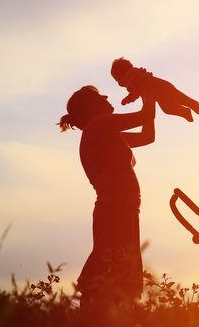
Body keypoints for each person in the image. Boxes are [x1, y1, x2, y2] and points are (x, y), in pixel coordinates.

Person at [58, 85, 156, 318]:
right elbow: (146, 116)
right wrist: (149, 92)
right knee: (110, 265)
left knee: (119, 268)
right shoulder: (100, 124)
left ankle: (106, 318)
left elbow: (148, 136)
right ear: (91, 106)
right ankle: (93, 318)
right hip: (116, 209)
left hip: (122, 208)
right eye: (100, 96)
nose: (106, 97)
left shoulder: (105, 129)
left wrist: (148, 94)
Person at [111, 57, 199, 122]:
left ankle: (192, 103)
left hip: (163, 87)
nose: (119, 83)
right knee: (167, 109)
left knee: (178, 97)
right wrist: (128, 99)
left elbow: (135, 77)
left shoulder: (133, 73)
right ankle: (185, 112)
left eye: (117, 80)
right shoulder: (135, 86)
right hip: (159, 96)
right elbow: (135, 94)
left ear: (122, 74)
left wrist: (130, 85)